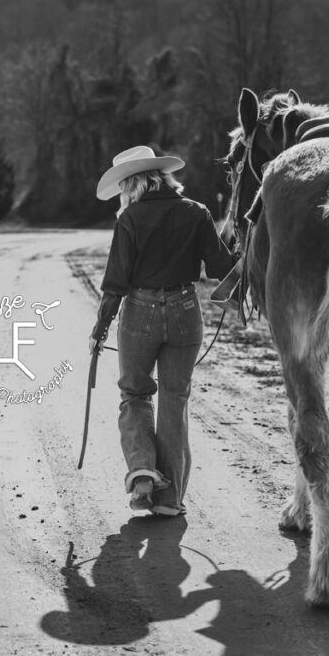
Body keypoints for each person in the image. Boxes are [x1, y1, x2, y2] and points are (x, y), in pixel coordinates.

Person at [89, 145, 237, 517]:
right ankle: (170, 500)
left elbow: (116, 283)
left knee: (135, 393)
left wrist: (100, 327)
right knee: (175, 400)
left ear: (133, 184)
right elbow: (222, 267)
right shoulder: (197, 212)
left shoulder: (130, 219)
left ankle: (142, 473)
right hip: (186, 311)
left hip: (140, 312)